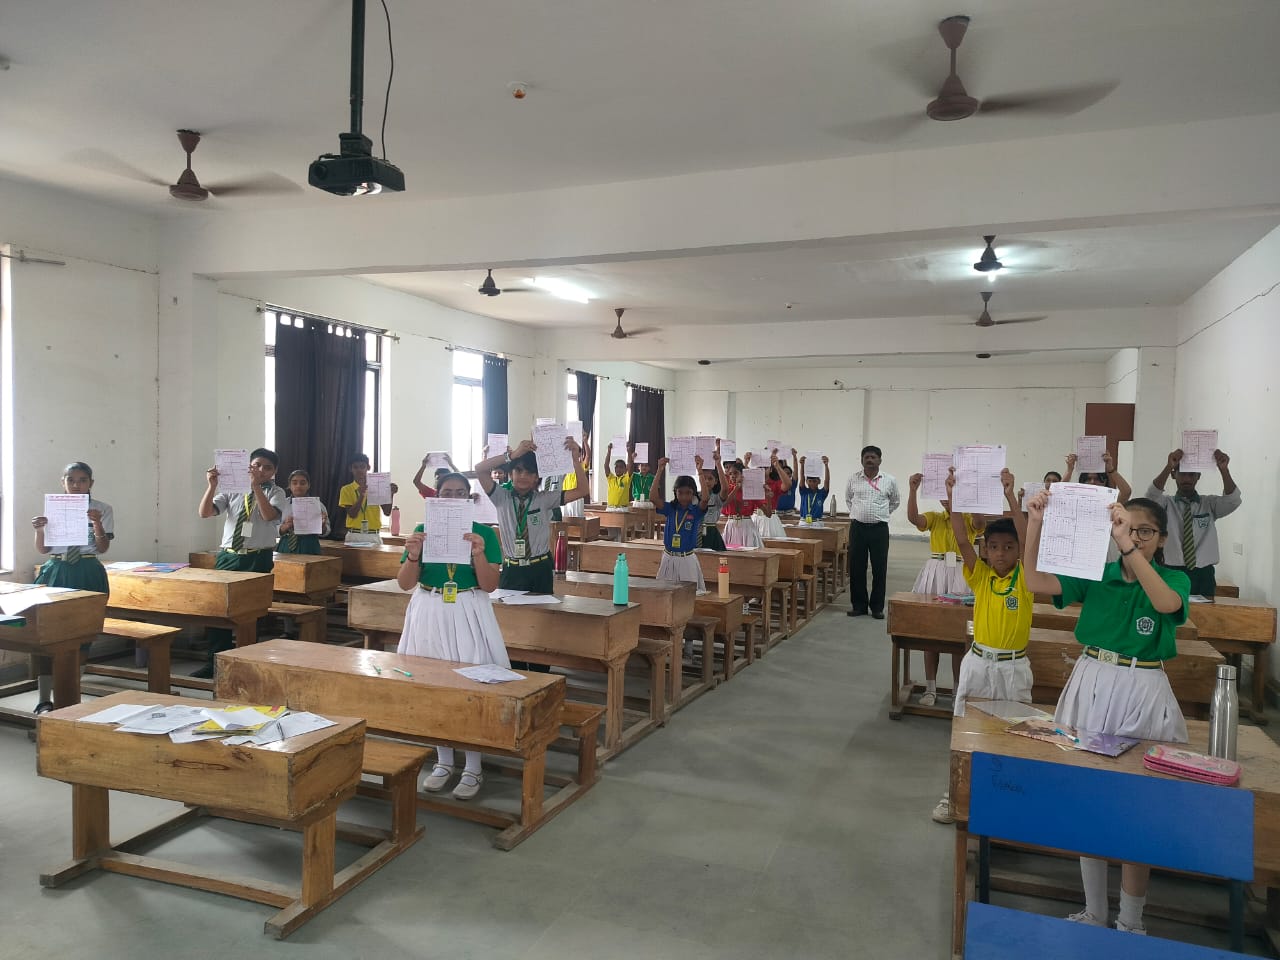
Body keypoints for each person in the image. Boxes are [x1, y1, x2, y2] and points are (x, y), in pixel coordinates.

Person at [1023, 490, 1190, 934]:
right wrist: (1036, 523)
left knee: (1138, 808)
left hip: (1143, 685)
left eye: (1144, 531)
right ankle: (1094, 911)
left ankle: (1131, 921)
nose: (1133, 536)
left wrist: (1128, 547)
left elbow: (1166, 605)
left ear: (1162, 538)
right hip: (1093, 680)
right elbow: (1035, 582)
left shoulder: (1172, 579)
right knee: (1090, 799)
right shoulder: (1097, 572)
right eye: (1126, 527)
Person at [396, 472, 507, 801]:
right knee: (432, 685)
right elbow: (404, 583)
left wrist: (478, 554)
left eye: (461, 493)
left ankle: (473, 766)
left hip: (467, 607)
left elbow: (490, 585)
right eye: (447, 492)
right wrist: (413, 555)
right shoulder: (422, 530)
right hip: (429, 607)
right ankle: (443, 760)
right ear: (436, 497)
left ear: (469, 499)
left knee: (471, 685)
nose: (453, 498)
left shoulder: (484, 532)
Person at [931, 468, 1030, 823]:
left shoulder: (1025, 579)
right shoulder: (981, 576)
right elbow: (961, 540)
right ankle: (955, 795)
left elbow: (1029, 541)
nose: (1001, 554)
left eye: (1008, 547)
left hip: (1013, 667)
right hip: (978, 664)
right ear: (985, 550)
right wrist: (954, 497)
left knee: (1013, 734)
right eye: (994, 547)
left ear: (1018, 551)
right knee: (966, 731)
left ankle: (1007, 799)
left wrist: (1010, 496)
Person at [196, 448, 288, 677]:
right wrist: (212, 485)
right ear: (249, 466)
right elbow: (205, 512)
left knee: (250, 612)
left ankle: (245, 662)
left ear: (274, 472)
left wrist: (256, 486)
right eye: (257, 465)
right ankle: (215, 662)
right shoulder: (232, 488)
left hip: (257, 557)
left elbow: (269, 516)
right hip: (229, 555)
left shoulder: (276, 491)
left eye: (267, 467)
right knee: (218, 610)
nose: (261, 470)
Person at [30, 461, 113, 713]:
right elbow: (43, 549)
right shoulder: (53, 508)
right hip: (56, 569)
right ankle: (44, 699)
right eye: (71, 480)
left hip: (87, 570)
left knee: (83, 632)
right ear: (63, 482)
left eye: (82, 480)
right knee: (46, 633)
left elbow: (103, 548)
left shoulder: (102, 509)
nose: (76, 485)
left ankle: (70, 696)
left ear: (91, 483)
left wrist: (96, 523)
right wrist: (40, 530)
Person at [905, 470, 987, 707]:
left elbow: (980, 524)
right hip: (936, 571)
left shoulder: (969, 519)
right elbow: (914, 519)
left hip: (961, 572)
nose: (945, 498)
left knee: (958, 634)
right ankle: (930, 687)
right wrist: (913, 490)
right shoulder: (935, 518)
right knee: (930, 630)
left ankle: (956, 690)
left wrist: (968, 497)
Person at [474, 436, 585, 594]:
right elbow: (479, 469)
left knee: (542, 610)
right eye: (518, 471)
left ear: (536, 477)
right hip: (512, 568)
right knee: (509, 610)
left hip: (540, 568)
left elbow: (582, 490)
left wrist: (575, 461)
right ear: (510, 474)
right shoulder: (501, 497)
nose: (523, 476)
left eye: (529, 472)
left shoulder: (544, 499)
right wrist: (512, 455)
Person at [1146, 447, 1240, 598]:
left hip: (1203, 573)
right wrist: (1169, 466)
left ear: (1198, 476)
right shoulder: (1165, 504)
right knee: (1171, 609)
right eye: (1182, 473)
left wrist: (1224, 470)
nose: (1187, 479)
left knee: (1205, 611)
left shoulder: (1209, 504)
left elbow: (1232, 500)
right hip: (1171, 570)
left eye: (1191, 474)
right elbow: (1151, 496)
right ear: (1174, 475)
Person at [845, 445, 901, 619]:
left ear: (879, 460)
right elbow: (848, 499)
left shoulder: (889, 480)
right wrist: (858, 513)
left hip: (879, 529)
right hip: (858, 529)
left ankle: (877, 608)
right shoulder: (853, 479)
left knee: (879, 568)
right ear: (862, 460)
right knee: (856, 568)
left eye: (873, 457)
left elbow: (895, 501)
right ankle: (859, 606)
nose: (869, 460)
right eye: (866, 457)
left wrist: (881, 514)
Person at [650, 455, 711, 592]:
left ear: (693, 493)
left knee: (689, 596)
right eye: (680, 492)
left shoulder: (695, 511)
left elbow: (705, 499)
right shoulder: (670, 509)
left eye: (688, 493)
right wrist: (659, 470)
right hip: (668, 557)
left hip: (686, 559)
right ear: (675, 492)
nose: (684, 496)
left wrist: (700, 472)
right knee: (663, 594)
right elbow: (653, 497)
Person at [338, 453, 397, 544]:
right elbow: (352, 514)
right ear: (351, 469)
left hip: (373, 535)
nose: (359, 470)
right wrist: (361, 496)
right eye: (355, 467)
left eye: (362, 467)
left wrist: (391, 494)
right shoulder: (346, 489)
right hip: (354, 534)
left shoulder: (376, 486)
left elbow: (387, 512)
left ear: (368, 468)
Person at [717, 445, 765, 549]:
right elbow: (723, 504)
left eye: (735, 473)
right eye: (730, 474)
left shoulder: (750, 490)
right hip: (731, 524)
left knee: (749, 550)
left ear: (743, 474)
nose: (732, 476)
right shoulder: (728, 489)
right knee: (730, 552)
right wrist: (736, 488)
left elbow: (767, 513)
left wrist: (765, 494)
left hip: (746, 525)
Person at [276, 469, 330, 554]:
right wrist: (284, 527)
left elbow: (327, 531)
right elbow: (272, 528)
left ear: (308, 485)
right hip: (286, 543)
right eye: (294, 483)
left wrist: (322, 526)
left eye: (302, 483)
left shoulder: (318, 505)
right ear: (289, 485)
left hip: (309, 544)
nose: (298, 486)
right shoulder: (282, 504)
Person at [744, 448, 790, 539]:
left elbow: (788, 484)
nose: (762, 470)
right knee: (753, 544)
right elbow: (743, 477)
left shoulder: (775, 483)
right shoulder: (753, 482)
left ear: (770, 469)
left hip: (770, 519)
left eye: (765, 468)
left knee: (771, 544)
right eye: (760, 468)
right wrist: (746, 463)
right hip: (754, 517)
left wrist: (777, 466)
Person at [1063, 451, 1132, 503]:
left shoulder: (1110, 498)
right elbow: (1059, 493)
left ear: (1104, 481)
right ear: (1082, 481)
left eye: (1097, 479)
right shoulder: (1076, 498)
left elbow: (1126, 492)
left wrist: (1111, 469)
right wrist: (1069, 470)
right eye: (1088, 479)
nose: (1092, 482)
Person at [698, 465, 727, 551]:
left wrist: (718, 463)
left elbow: (725, 489)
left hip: (711, 533)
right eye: (704, 478)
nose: (707, 481)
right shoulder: (694, 496)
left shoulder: (716, 498)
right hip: (696, 533)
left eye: (710, 479)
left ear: (716, 481)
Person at [796, 455, 831, 523]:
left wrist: (826, 465)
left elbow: (827, 481)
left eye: (814, 481)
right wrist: (802, 465)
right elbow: (802, 478)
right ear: (806, 481)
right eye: (810, 481)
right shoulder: (804, 492)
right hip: (804, 521)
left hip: (817, 522)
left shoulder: (822, 493)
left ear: (819, 481)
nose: (812, 483)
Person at [604, 441, 635, 507]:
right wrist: (609, 451)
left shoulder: (626, 479)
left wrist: (629, 451)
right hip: (611, 508)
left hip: (622, 509)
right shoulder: (611, 478)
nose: (618, 469)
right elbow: (606, 466)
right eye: (616, 467)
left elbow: (630, 465)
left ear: (625, 469)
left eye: (621, 467)